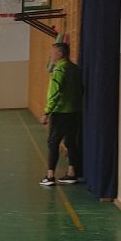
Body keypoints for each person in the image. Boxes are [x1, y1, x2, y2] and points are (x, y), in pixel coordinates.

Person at [40, 42, 83, 186]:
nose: (50, 56)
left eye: (52, 54)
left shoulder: (59, 70)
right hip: (75, 111)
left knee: (53, 142)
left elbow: (55, 93)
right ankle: (72, 173)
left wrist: (47, 112)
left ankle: (50, 176)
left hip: (61, 112)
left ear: (59, 54)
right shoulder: (75, 69)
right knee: (71, 142)